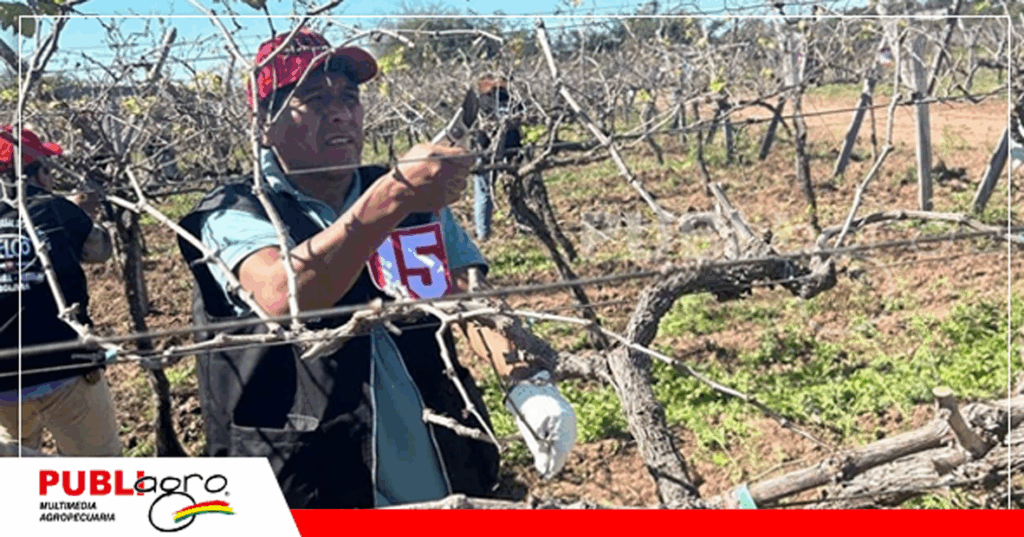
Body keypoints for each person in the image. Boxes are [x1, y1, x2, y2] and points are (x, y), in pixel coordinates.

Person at [177, 29, 577, 508]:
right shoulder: (233, 210)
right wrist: (393, 195)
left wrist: (527, 381)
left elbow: (465, 297)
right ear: (264, 124)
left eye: (349, 97)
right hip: (309, 485)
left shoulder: (413, 199)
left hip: (440, 463)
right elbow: (283, 294)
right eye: (314, 98)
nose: (340, 112)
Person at [0, 126, 119, 457]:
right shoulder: (56, 209)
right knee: (98, 470)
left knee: (14, 468)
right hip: (66, 369)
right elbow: (101, 250)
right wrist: (81, 215)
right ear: (36, 174)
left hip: (2, 382)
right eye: (48, 171)